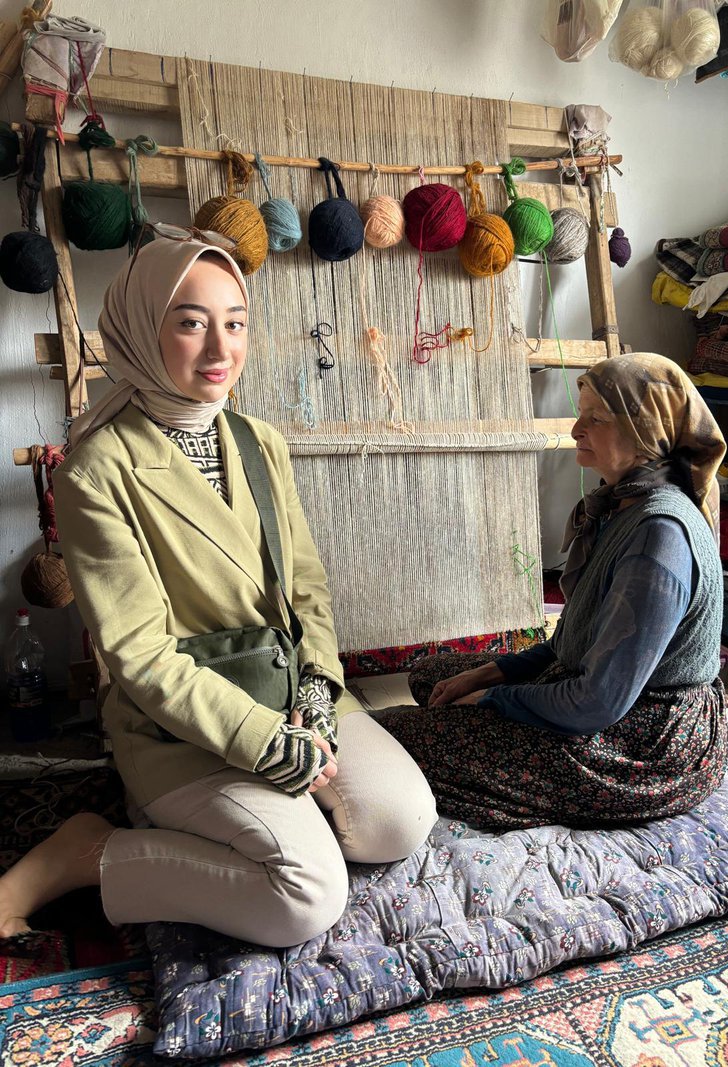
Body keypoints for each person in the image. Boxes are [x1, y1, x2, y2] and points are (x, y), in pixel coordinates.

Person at [0, 232, 436, 945]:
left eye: (235, 323)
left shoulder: (259, 441)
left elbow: (306, 586)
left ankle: (275, 820)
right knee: (304, 899)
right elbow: (141, 656)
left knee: (400, 822)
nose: (220, 348)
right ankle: (87, 851)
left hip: (288, 689)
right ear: (142, 329)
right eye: (191, 322)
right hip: (181, 726)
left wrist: (317, 690)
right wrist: (264, 741)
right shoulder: (96, 472)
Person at [379, 352, 728, 832]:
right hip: (604, 695)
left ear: (645, 431)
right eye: (580, 415)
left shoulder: (659, 536)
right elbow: (572, 643)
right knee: (433, 676)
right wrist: (488, 673)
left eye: (596, 419)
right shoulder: (622, 505)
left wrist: (494, 700)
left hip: (643, 742)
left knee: (393, 736)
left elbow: (595, 703)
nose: (576, 430)